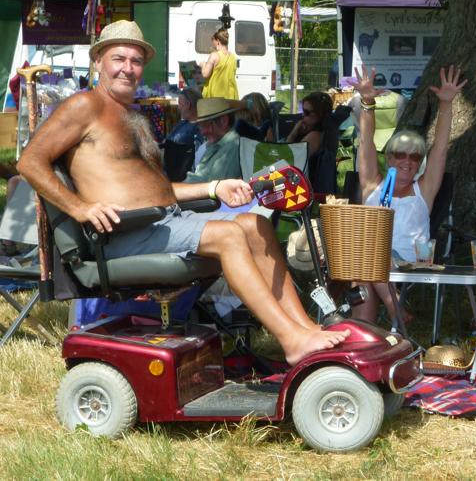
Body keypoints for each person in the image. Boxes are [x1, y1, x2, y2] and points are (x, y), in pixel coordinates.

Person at [15, 20, 349, 365]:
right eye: (118, 59)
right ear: (98, 60)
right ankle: (292, 341)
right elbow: (29, 161)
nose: (128, 68)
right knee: (230, 234)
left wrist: (215, 187)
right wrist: (80, 208)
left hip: (163, 222)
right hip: (126, 233)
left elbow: (157, 191)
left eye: (136, 60)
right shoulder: (85, 105)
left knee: (256, 225)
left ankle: (306, 327)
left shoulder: (131, 115)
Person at [351, 64, 466, 325]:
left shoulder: (423, 189)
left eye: (415, 156)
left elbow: (440, 150)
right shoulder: (372, 183)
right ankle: (383, 320)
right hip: (369, 258)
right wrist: (367, 102)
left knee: (364, 261)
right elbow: (366, 141)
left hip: (410, 261)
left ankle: (379, 321)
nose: (407, 161)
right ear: (389, 157)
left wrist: (446, 105)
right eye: (400, 154)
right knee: (364, 264)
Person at [182, 97, 243, 184]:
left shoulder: (232, 147)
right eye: (201, 127)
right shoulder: (214, 143)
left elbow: (215, 194)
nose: (202, 132)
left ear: (224, 121)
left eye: (206, 125)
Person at [286, 91, 332, 157]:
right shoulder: (325, 130)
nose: (303, 114)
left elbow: (290, 157)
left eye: (306, 112)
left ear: (319, 113)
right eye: (303, 110)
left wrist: (292, 135)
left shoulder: (316, 135)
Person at [200, 29, 239, 100]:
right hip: (230, 96)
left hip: (216, 96)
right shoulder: (233, 56)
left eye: (214, 41)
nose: (213, 44)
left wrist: (203, 65)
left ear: (218, 41)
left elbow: (205, 74)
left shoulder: (214, 55)